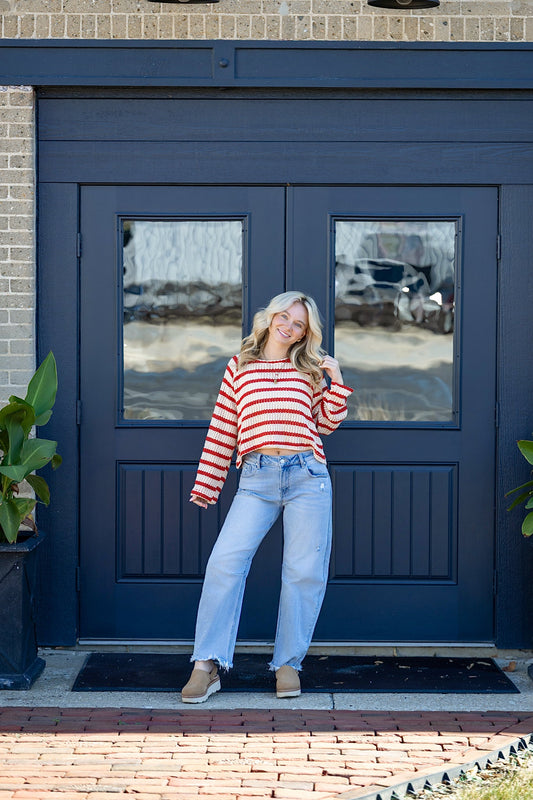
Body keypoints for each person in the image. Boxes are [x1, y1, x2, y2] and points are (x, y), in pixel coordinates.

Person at [181, 291, 353, 703]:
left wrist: (337, 383)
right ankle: (205, 665)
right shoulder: (239, 367)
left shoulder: (308, 370)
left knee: (303, 572)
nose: (289, 327)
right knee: (224, 563)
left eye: (299, 325)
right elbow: (223, 430)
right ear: (270, 316)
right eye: (285, 317)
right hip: (256, 478)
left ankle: (288, 664)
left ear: (304, 333)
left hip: (307, 475)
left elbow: (326, 425)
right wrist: (208, 483)